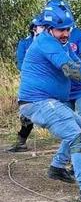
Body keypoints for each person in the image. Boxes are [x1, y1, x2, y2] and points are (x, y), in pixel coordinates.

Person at [17, 2, 81, 202]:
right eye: (60, 29)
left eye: (68, 28)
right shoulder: (45, 42)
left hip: (49, 101)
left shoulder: (60, 43)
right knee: (78, 138)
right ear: (49, 28)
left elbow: (78, 64)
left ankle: (57, 167)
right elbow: (70, 70)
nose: (65, 33)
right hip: (38, 102)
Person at [45, 0, 81, 178]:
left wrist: (78, 69)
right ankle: (68, 164)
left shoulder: (78, 35)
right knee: (71, 126)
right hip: (63, 89)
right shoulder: (46, 39)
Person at [5, 15, 46, 152]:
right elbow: (21, 63)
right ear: (33, 28)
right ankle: (22, 141)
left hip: (48, 81)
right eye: (40, 26)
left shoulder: (50, 42)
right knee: (26, 113)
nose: (42, 28)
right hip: (30, 83)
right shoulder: (25, 43)